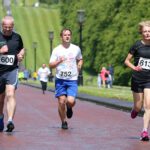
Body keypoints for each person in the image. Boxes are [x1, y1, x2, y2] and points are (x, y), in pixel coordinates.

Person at [49, 28, 83, 129]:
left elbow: (80, 59)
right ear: (61, 37)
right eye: (65, 35)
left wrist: (79, 66)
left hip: (72, 79)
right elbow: (51, 65)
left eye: (69, 35)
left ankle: (69, 107)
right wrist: (59, 61)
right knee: (61, 101)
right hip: (60, 80)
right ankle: (63, 122)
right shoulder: (56, 50)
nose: (67, 36)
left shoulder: (76, 48)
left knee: (71, 101)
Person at [124, 20, 150, 141]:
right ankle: (135, 110)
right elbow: (127, 61)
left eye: (149, 31)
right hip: (137, 79)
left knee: (148, 106)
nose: (147, 33)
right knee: (138, 107)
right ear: (141, 32)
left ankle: (144, 131)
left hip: (149, 79)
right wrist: (134, 67)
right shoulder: (137, 45)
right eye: (145, 31)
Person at [0, 16, 24, 132]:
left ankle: (10, 120)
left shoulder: (17, 37)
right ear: (2, 25)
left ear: (13, 26)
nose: (8, 29)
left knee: (10, 93)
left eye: (10, 27)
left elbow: (22, 49)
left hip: (11, 70)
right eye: (6, 27)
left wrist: (21, 55)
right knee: (0, 99)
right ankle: (0, 117)